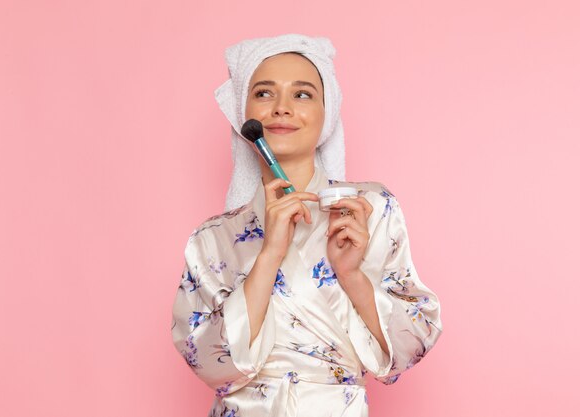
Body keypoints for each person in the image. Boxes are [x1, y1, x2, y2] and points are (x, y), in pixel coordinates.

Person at [171, 33, 443, 417]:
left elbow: (412, 343)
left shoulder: (367, 210)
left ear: (327, 112)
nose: (281, 108)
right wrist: (269, 255)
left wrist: (351, 274)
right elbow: (207, 361)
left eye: (302, 94)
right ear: (242, 111)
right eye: (264, 93)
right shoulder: (213, 238)